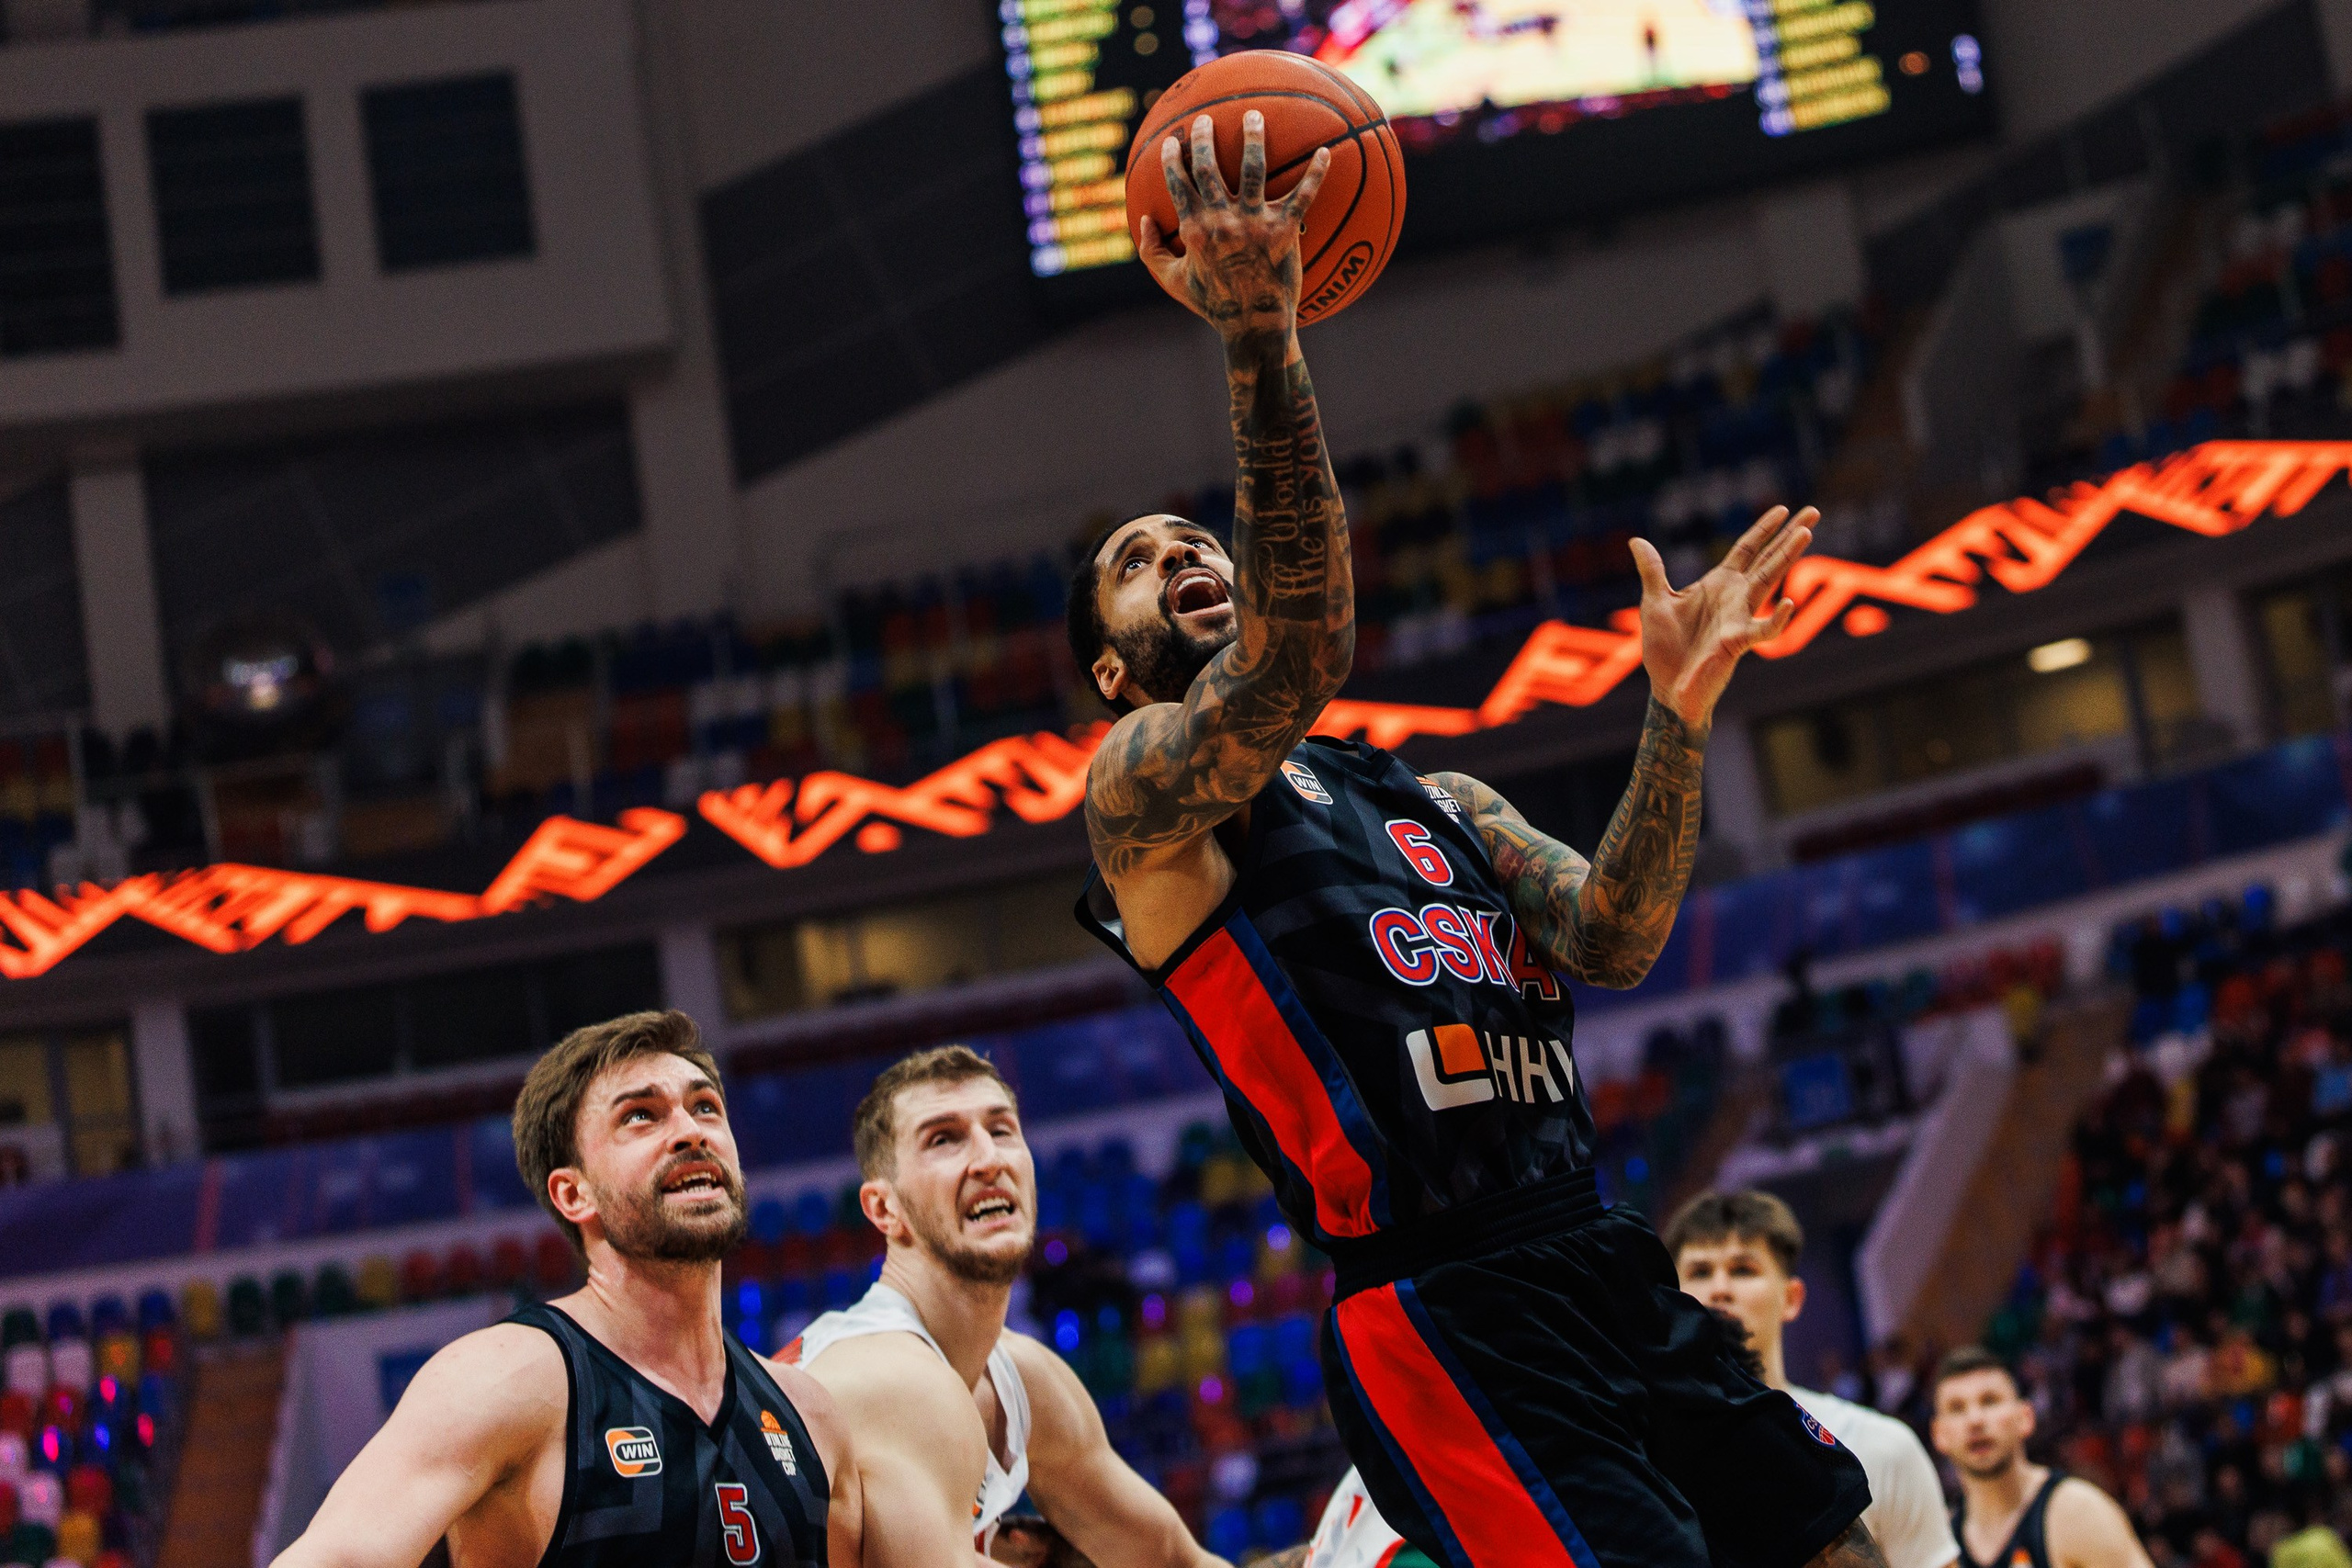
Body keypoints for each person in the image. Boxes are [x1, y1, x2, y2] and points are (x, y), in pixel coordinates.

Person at [1069, 104, 1872, 1568]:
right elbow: (1299, 651)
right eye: (1139, 560)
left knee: (1839, 1543)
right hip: (1444, 1298)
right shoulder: (1142, 793)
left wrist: (1677, 715)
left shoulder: (1435, 796)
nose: (1181, 549)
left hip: (1595, 1240)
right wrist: (1261, 331)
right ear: (1115, 673)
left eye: (1197, 538)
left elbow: (1613, 934)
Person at [271, 1010, 869, 1568]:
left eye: (706, 1107)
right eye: (641, 1115)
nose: (690, 1131)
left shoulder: (809, 1414)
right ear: (573, 1193)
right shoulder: (506, 1380)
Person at [781, 1045, 1225, 1568]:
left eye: (1001, 1130)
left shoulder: (1025, 1382)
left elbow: (1174, 1561)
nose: (989, 1159)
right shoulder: (888, 1380)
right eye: (943, 1139)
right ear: (884, 1208)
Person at [1666, 1190, 1959, 1568]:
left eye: (1743, 1269)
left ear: (1791, 1298)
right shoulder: (1646, 1461)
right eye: (1700, 1272)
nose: (1719, 1289)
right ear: (1670, 1299)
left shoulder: (1883, 1448)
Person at [1931, 1347, 2157, 1568]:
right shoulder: (1939, 1547)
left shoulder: (2077, 1512)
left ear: (2025, 1417)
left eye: (1990, 1401)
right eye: (1957, 1408)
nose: (1975, 1420)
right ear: (1938, 1434)